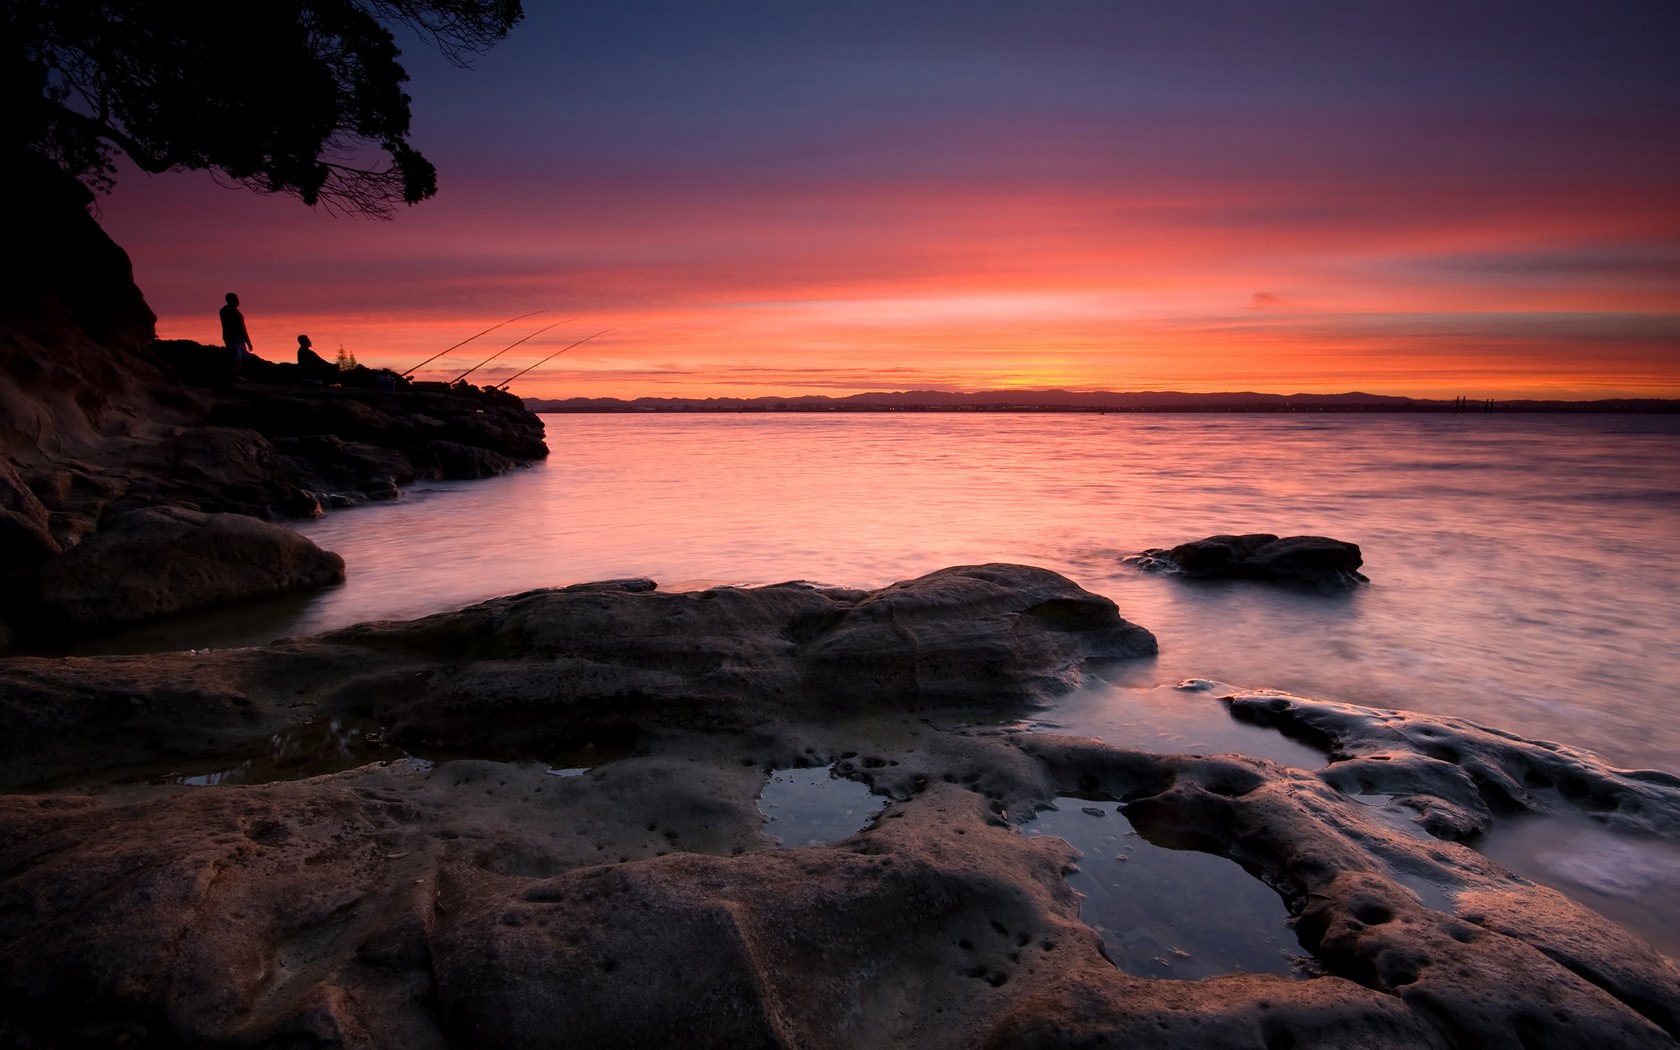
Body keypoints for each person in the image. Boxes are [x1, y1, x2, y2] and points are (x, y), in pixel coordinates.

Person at [219, 293, 253, 377]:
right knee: (235, 358)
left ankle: (240, 377)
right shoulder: (226, 311)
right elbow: (236, 326)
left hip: (239, 338)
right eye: (236, 299)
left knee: (242, 359)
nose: (238, 301)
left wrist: (248, 342)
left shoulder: (237, 313)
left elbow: (242, 327)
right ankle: (235, 377)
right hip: (232, 338)